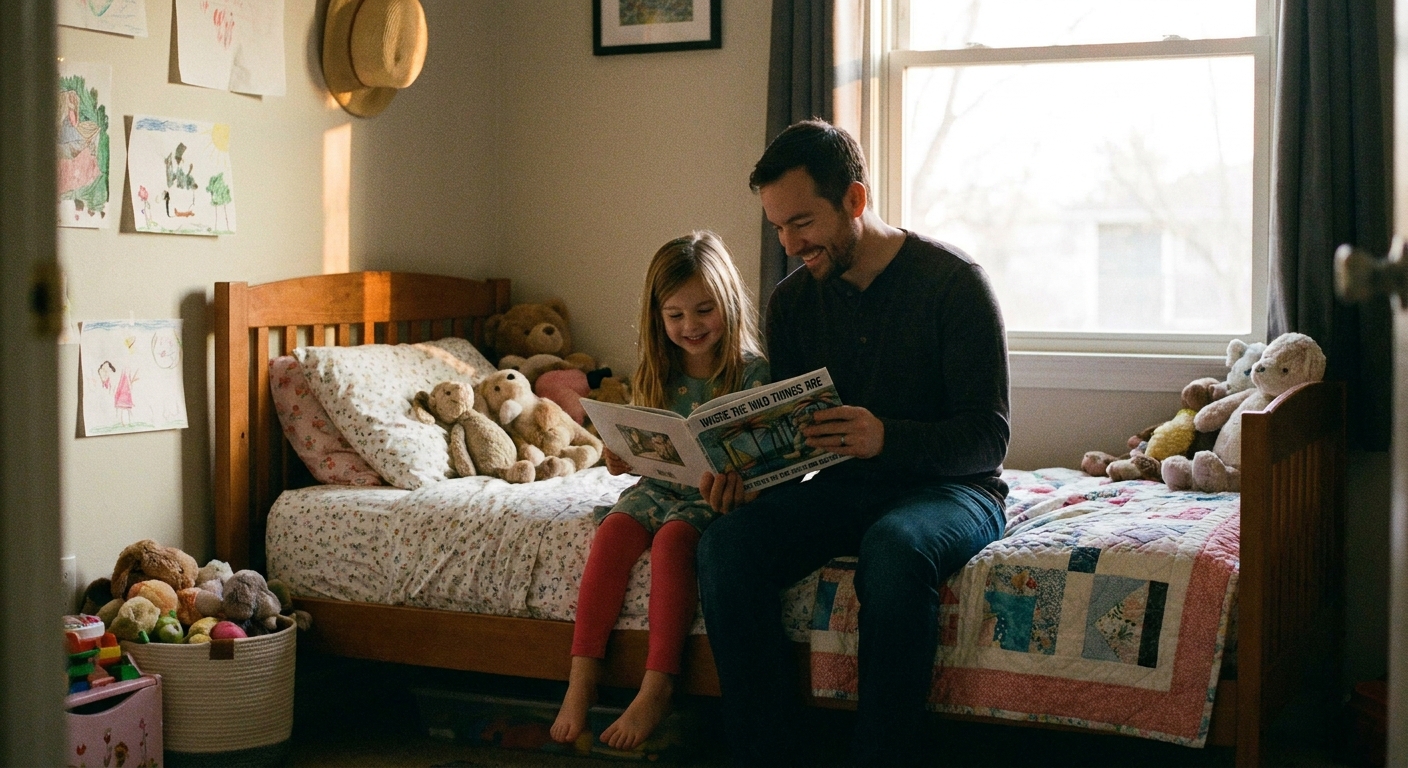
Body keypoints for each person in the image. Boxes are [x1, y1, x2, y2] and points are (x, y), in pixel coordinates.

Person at [696, 119, 1011, 766]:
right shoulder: (792, 304)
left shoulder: (953, 284)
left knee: (894, 549)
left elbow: (988, 437)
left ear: (855, 201)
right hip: (844, 487)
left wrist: (884, 438)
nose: (789, 244)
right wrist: (745, 475)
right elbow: (793, 439)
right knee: (727, 546)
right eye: (778, 228)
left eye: (802, 223)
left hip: (955, 490)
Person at [551, 231, 770, 751]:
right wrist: (619, 457)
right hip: (657, 487)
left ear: (729, 304)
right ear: (658, 317)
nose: (690, 327)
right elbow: (643, 445)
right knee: (612, 534)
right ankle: (580, 679)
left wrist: (744, 481)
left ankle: (658, 684)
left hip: (708, 496)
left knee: (673, 542)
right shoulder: (657, 369)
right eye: (675, 316)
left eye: (704, 310)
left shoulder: (753, 371)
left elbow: (763, 455)